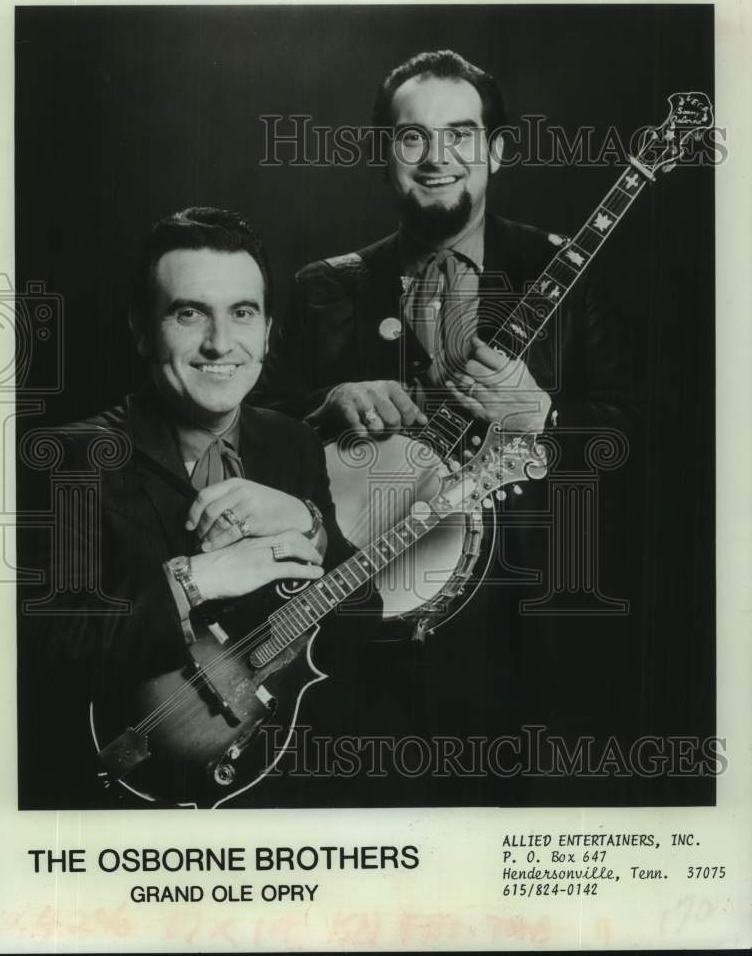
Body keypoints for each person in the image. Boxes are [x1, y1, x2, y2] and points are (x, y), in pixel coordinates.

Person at [255, 51, 637, 805]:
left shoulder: (565, 270)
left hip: (521, 643)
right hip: (350, 640)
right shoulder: (324, 288)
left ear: (495, 151)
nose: (437, 159)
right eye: (412, 138)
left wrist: (545, 418)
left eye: (461, 135)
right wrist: (326, 404)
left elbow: (645, 439)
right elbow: (249, 436)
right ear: (384, 154)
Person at [18, 207, 377, 809]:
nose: (219, 343)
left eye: (242, 313)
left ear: (267, 332)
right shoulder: (66, 458)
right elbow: (45, 650)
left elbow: (361, 622)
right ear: (140, 329)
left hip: (270, 781)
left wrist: (308, 527)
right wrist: (196, 579)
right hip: (114, 796)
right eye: (189, 313)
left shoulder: (292, 443)